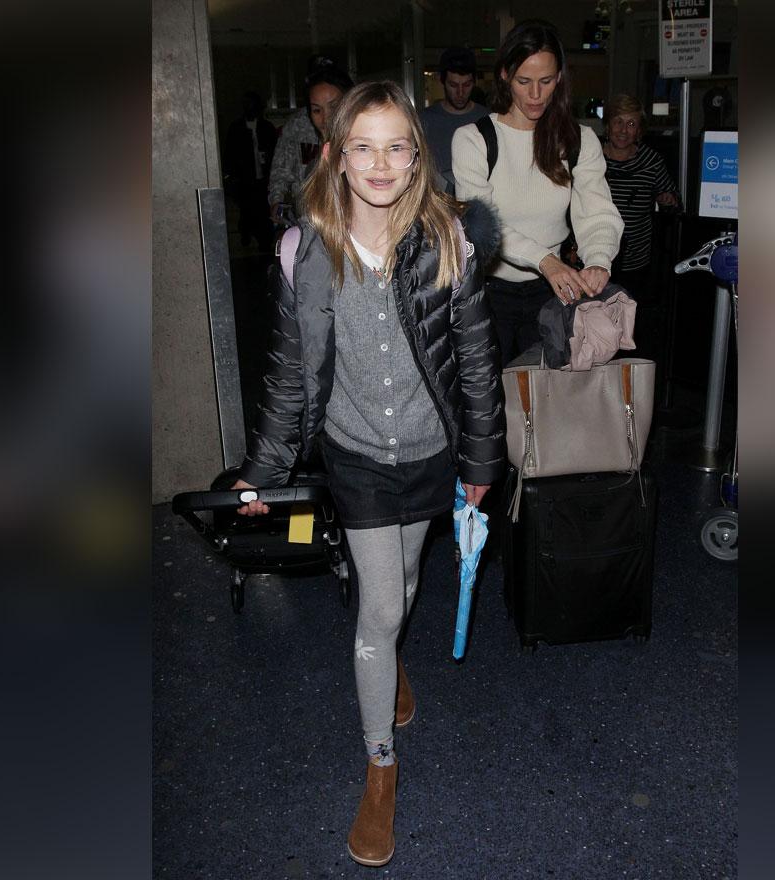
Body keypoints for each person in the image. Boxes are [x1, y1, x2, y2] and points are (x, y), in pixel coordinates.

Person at [231, 80, 504, 868]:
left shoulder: (449, 238)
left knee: (408, 587)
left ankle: (391, 661)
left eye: (396, 146)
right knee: (380, 605)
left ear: (416, 157)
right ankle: (380, 762)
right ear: (336, 154)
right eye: (363, 146)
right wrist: (261, 471)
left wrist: (484, 460)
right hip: (353, 455)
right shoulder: (302, 252)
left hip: (428, 453)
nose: (380, 163)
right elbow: (290, 379)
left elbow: (479, 364)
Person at [452, 18, 623, 365]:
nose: (535, 95)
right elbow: (483, 223)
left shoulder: (579, 140)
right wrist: (545, 260)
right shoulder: (473, 139)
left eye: (545, 82)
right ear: (504, 75)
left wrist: (598, 261)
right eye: (524, 81)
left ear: (559, 78)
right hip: (488, 294)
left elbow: (598, 211)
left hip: (552, 294)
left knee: (548, 405)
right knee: (489, 407)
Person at [602, 93, 677, 356]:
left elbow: (673, 201)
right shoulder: (591, 158)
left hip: (635, 262)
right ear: (608, 124)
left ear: (640, 130)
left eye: (631, 124)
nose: (623, 130)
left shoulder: (651, 161)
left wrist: (668, 200)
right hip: (594, 257)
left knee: (628, 330)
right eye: (618, 122)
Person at [267, 57, 354, 222]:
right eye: (316, 110)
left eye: (333, 107)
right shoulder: (297, 126)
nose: (326, 118)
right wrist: (277, 203)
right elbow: (281, 171)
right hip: (308, 222)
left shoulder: (365, 138)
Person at [418, 47, 488, 195]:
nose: (460, 93)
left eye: (467, 85)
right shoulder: (424, 120)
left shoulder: (487, 119)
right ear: (442, 81)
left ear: (474, 82)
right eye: (453, 85)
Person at [221, 90, 279, 251]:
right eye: (247, 106)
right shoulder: (236, 128)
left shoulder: (266, 128)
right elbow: (230, 155)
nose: (250, 109)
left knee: (262, 212)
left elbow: (275, 152)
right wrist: (231, 177)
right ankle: (246, 232)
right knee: (247, 211)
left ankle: (264, 242)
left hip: (263, 180)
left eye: (253, 106)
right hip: (245, 180)